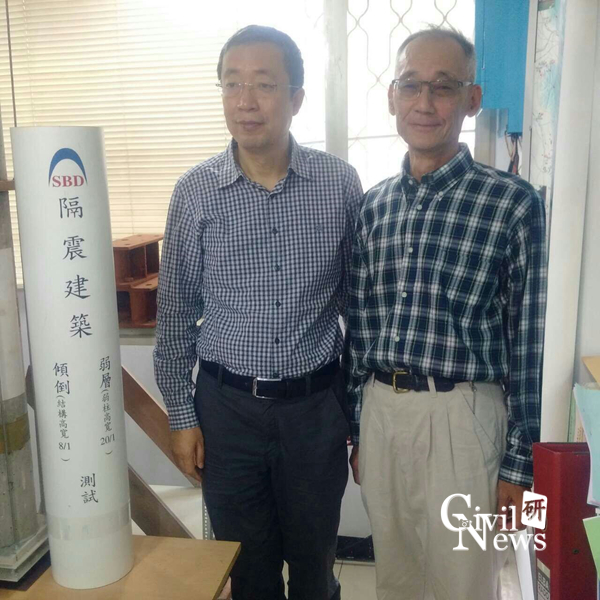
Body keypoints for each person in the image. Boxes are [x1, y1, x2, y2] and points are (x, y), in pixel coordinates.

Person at [154, 24, 363, 600]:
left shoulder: (339, 185)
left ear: (296, 98)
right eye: (232, 84)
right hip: (227, 413)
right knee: (247, 569)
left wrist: (359, 418)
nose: (245, 101)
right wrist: (181, 416)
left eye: (264, 85)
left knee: (315, 565)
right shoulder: (195, 192)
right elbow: (175, 315)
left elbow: (359, 309)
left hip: (314, 411)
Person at [345, 27, 547, 600]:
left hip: (466, 417)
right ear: (392, 97)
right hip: (383, 413)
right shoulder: (373, 205)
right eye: (411, 85)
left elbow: (529, 343)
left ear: (472, 99)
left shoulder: (514, 202)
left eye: (444, 86)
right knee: (396, 578)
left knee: (466, 582)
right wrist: (357, 429)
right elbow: (360, 327)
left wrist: (521, 466)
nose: (425, 102)